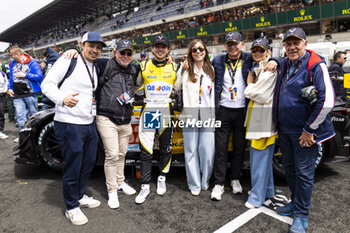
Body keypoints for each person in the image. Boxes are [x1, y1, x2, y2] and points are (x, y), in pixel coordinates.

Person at [268, 27, 335, 233]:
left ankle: (302, 215)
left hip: (305, 133)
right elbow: (279, 61)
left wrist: (309, 130)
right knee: (290, 170)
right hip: (285, 131)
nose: (292, 47)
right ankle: (295, 204)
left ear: (305, 44)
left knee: (304, 174)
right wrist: (276, 59)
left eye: (296, 43)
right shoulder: (286, 63)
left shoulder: (316, 64)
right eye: (288, 44)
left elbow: (327, 101)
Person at [41, 32, 106, 226]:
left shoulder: (94, 66)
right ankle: (71, 207)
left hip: (88, 123)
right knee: (73, 165)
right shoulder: (68, 59)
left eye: (98, 47)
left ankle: (79, 196)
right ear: (82, 45)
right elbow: (46, 85)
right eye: (91, 46)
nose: (95, 50)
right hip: (69, 123)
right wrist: (62, 98)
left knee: (88, 163)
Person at [135, 35, 178, 204]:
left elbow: (180, 88)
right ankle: (144, 185)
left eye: (163, 46)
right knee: (146, 151)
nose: (160, 49)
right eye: (157, 46)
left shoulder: (175, 67)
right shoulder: (143, 66)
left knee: (166, 148)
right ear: (152, 49)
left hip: (166, 112)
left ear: (168, 49)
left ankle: (162, 178)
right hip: (150, 111)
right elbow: (135, 86)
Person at [95, 39, 138, 208]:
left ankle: (120, 182)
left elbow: (138, 85)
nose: (125, 56)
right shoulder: (104, 64)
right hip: (106, 117)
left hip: (125, 118)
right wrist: (73, 53)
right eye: (122, 52)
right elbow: (86, 59)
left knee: (122, 154)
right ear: (115, 52)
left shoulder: (135, 68)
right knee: (112, 155)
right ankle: (111, 190)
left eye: (129, 53)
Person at [210, 31, 253, 201]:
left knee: (239, 148)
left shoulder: (249, 58)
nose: (232, 47)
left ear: (242, 44)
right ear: (225, 46)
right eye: (229, 44)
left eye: (236, 43)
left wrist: (273, 60)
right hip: (223, 110)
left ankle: (235, 178)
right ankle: (219, 183)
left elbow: (271, 57)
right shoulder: (218, 61)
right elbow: (199, 65)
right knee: (220, 149)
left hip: (242, 111)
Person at [174, 39, 215, 196]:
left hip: (207, 115)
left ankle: (205, 180)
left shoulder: (210, 69)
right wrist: (181, 70)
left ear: (205, 51)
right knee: (190, 151)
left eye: (201, 49)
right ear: (190, 53)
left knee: (207, 151)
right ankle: (194, 183)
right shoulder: (185, 69)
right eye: (194, 50)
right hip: (189, 115)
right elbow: (176, 87)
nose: (198, 52)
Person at [243, 38, 277, 208]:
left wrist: (249, 86)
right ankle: (268, 191)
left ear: (268, 52)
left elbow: (261, 95)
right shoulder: (260, 68)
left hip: (263, 124)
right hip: (260, 122)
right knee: (263, 161)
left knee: (258, 163)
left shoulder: (269, 70)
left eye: (261, 50)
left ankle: (256, 198)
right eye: (254, 50)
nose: (257, 53)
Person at [7, 45, 43, 142]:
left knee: (34, 115)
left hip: (30, 93)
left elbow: (39, 76)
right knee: (19, 115)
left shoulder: (32, 62)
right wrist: (9, 88)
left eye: (11, 55)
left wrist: (25, 75)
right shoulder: (13, 63)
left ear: (18, 54)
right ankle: (23, 137)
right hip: (17, 95)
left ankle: (37, 136)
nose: (11, 57)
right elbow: (11, 77)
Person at [0, 69, 9, 139]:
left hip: (2, 95)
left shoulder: (2, 73)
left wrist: (6, 89)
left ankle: (0, 131)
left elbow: (6, 83)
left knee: (1, 113)